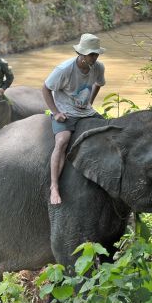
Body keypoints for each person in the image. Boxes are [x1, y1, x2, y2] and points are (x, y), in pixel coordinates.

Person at [42, 33, 106, 205]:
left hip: (86, 111)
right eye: (91, 54)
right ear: (82, 54)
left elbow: (98, 83)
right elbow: (46, 89)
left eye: (96, 54)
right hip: (66, 110)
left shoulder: (99, 67)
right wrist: (55, 112)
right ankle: (54, 186)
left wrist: (90, 103)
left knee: (109, 132)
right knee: (62, 141)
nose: (94, 57)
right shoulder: (64, 70)